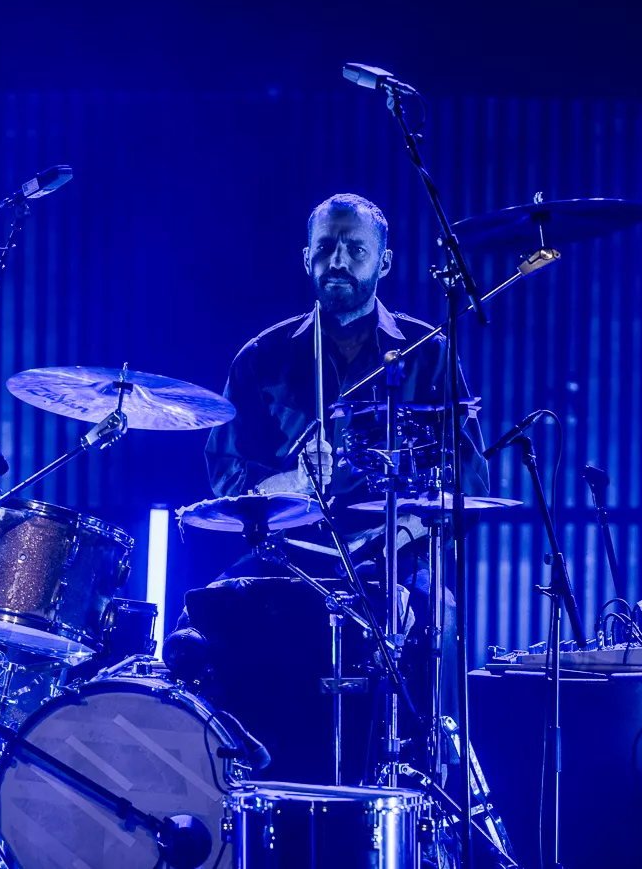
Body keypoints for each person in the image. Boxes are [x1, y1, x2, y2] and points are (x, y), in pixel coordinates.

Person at [188, 192, 489, 783]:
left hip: (393, 552)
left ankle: (432, 780)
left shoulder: (428, 354)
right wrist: (291, 483)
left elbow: (469, 484)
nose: (339, 262)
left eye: (356, 249)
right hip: (290, 554)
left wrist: (401, 530)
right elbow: (224, 474)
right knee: (204, 618)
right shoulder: (260, 358)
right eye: (326, 248)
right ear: (306, 258)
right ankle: (238, 778)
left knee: (440, 615)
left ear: (385, 262)